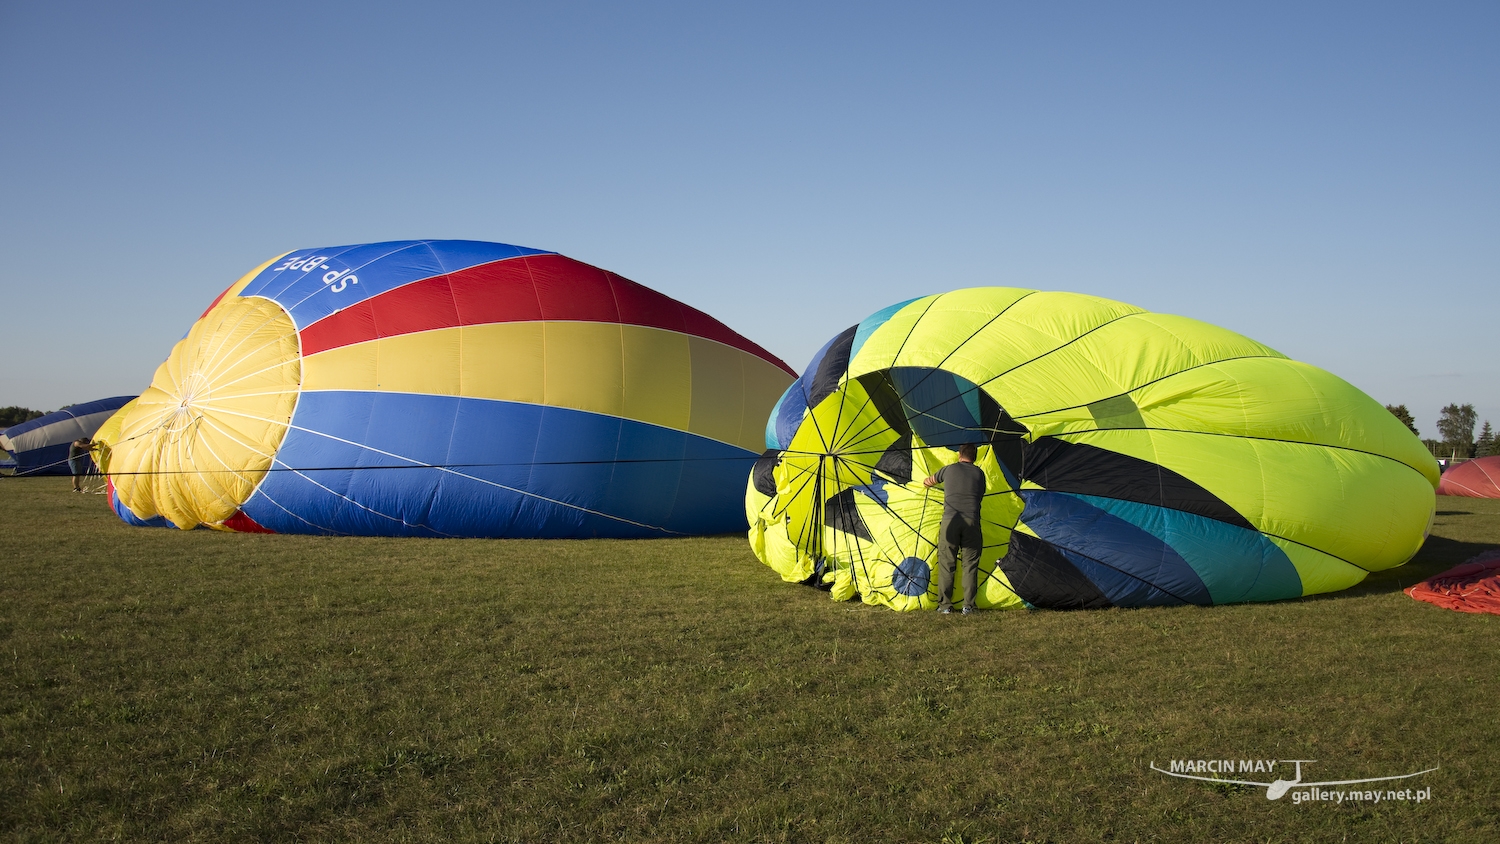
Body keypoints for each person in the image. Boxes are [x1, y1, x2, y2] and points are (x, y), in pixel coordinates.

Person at [923, 442, 986, 615]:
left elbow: (928, 482)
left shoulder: (948, 470)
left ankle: (945, 605)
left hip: (951, 520)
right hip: (972, 521)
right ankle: (968, 606)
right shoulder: (980, 474)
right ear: (974, 457)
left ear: (959, 454)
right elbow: (980, 494)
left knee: (947, 563)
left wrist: (928, 482)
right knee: (970, 564)